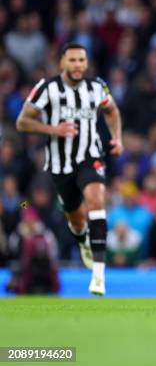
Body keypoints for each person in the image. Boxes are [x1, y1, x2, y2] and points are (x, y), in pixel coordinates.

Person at [16, 42, 123, 296]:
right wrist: (54, 130)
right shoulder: (47, 88)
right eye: (72, 60)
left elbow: (112, 111)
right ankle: (83, 238)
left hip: (91, 156)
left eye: (81, 61)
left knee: (96, 200)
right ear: (62, 62)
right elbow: (22, 122)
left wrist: (117, 138)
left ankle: (98, 275)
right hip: (60, 164)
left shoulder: (97, 86)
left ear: (86, 63)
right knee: (75, 219)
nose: (77, 65)